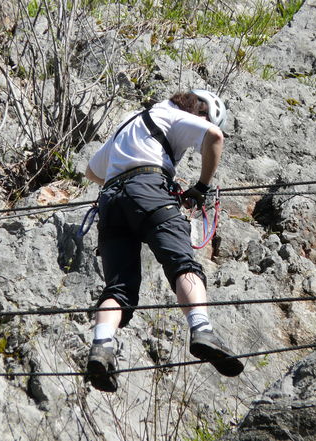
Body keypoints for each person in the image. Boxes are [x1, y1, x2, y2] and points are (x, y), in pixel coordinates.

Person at [83, 89, 244, 392]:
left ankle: (102, 346)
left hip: (111, 203)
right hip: (149, 190)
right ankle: (202, 329)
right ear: (200, 110)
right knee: (183, 264)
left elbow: (92, 171)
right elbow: (214, 136)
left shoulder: (129, 123)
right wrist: (201, 187)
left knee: (119, 287)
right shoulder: (173, 115)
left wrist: (128, 180)